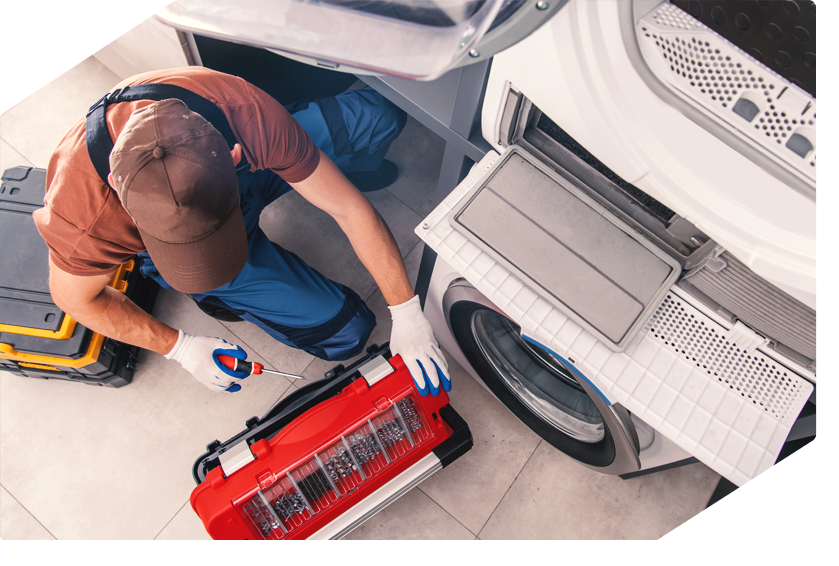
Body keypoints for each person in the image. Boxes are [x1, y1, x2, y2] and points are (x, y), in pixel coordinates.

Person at [34, 66, 450, 396]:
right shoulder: (84, 219)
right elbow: (76, 301)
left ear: (234, 155)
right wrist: (178, 348)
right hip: (202, 193)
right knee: (347, 332)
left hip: (245, 171)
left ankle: (340, 169)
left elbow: (347, 207)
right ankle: (216, 292)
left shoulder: (245, 115)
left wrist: (407, 312)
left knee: (380, 116)